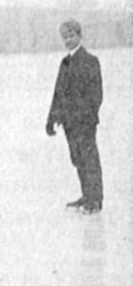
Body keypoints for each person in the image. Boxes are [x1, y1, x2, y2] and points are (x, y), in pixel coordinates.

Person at [46, 18, 103, 214]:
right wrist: (51, 118)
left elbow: (96, 95)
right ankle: (86, 195)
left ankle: (95, 200)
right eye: (65, 37)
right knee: (78, 159)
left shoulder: (90, 61)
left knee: (89, 160)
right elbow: (58, 92)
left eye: (71, 35)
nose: (68, 40)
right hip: (68, 123)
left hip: (84, 123)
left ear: (80, 36)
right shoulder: (65, 62)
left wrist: (86, 118)